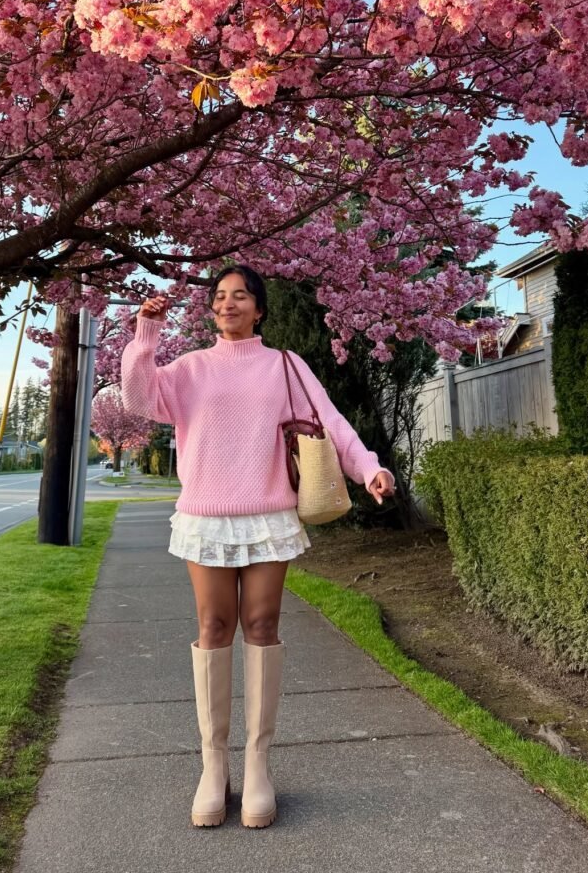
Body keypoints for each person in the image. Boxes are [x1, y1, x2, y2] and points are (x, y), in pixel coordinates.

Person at [121, 264, 396, 830]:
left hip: (269, 515)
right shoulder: (190, 369)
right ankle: (213, 764)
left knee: (263, 625)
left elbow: (332, 424)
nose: (228, 304)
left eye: (240, 296)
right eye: (220, 296)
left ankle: (258, 765)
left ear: (260, 308)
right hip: (205, 517)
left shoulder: (285, 365)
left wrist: (368, 468)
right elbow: (139, 398)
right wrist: (145, 336)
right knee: (214, 628)